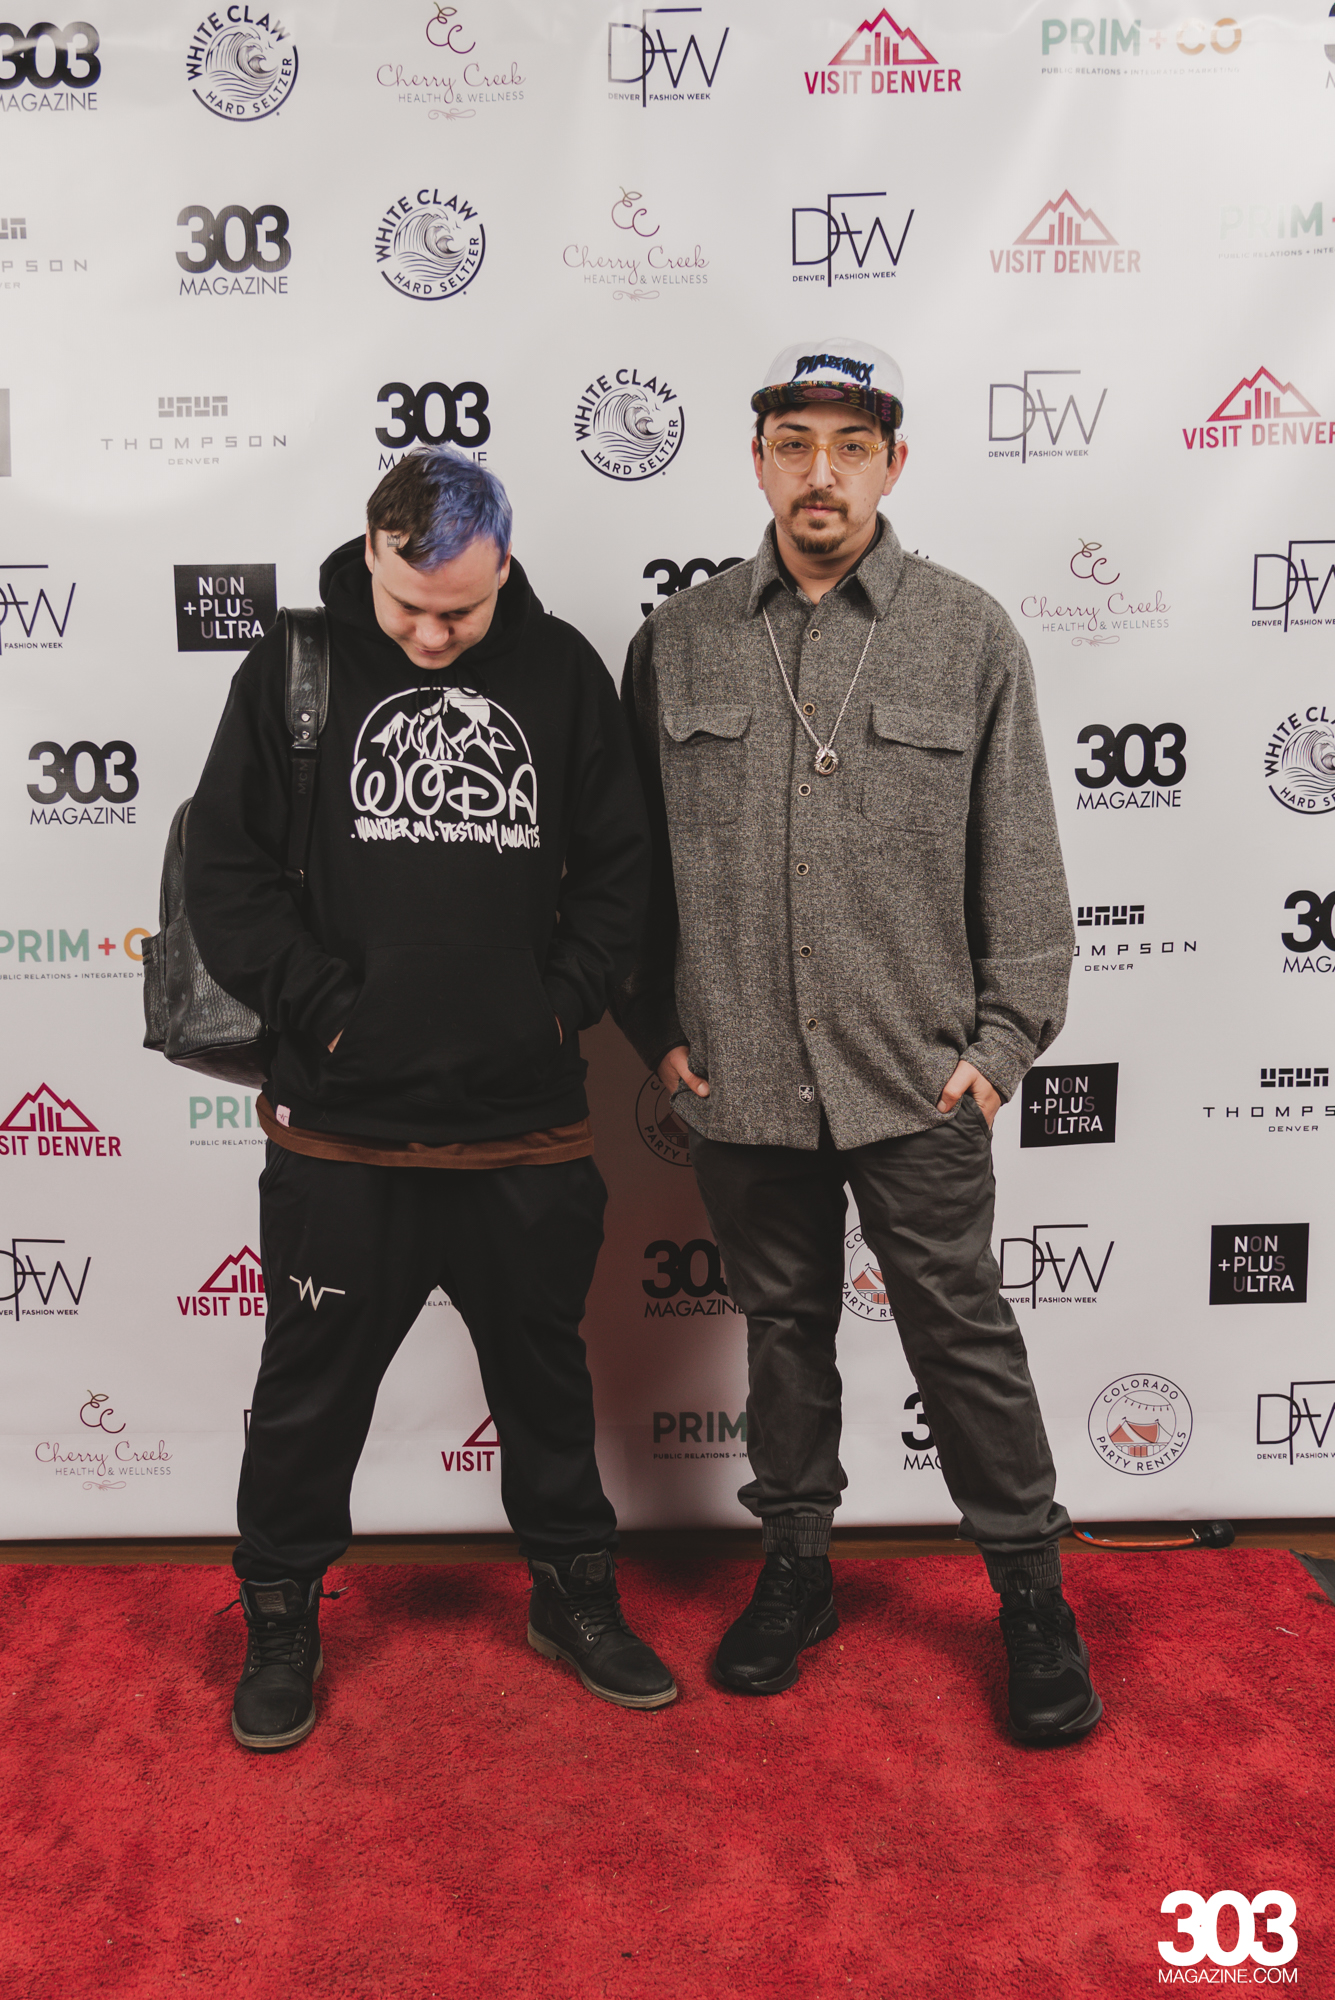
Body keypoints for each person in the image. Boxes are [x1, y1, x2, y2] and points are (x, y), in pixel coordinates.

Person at [616, 340, 1099, 1744]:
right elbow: (631, 868)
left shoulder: (968, 633)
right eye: (793, 444)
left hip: (916, 1079)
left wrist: (997, 1054)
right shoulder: (682, 639)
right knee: (782, 1333)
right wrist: (657, 1029)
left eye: (849, 446)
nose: (819, 474)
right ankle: (797, 1572)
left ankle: (1032, 1599)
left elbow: (1024, 871)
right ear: (757, 458)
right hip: (743, 1074)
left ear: (893, 463)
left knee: (962, 1335)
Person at [187, 446, 677, 1751]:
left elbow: (622, 879)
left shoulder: (561, 671)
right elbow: (225, 875)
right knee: (307, 1400)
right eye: (408, 606)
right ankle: (281, 1615)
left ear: (504, 563)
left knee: (548, 1390)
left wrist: (554, 1007)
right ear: (371, 550)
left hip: (526, 1125)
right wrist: (330, 1008)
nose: (430, 635)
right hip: (342, 1134)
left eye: (460, 610)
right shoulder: (293, 667)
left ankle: (574, 1595)